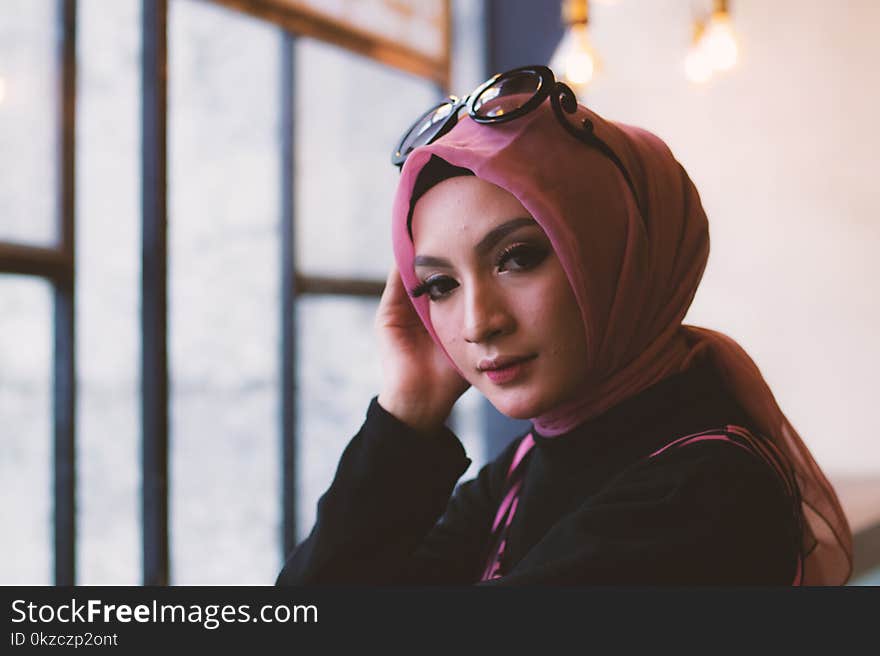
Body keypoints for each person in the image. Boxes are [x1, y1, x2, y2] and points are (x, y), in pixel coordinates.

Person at [276, 65, 852, 585]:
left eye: (519, 258)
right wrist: (408, 410)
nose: (479, 324)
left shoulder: (704, 493)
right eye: (441, 285)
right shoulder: (530, 463)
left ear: (618, 255)